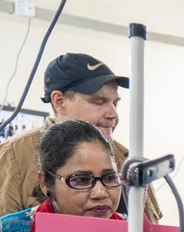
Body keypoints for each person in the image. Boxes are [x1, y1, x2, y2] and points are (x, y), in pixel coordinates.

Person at [0, 53, 162, 222]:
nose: (113, 114)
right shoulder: (14, 156)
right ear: (60, 101)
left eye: (115, 103)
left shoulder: (128, 160)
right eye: (99, 102)